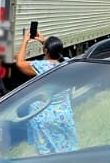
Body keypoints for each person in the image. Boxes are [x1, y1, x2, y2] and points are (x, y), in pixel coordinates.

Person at [10, 26, 79, 155]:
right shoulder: (67, 64)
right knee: (68, 151)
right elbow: (59, 56)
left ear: (46, 51)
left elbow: (19, 63)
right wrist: (44, 42)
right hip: (64, 115)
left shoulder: (41, 66)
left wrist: (25, 40)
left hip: (43, 116)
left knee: (45, 154)